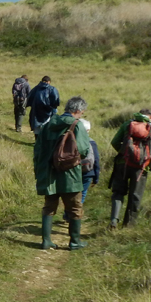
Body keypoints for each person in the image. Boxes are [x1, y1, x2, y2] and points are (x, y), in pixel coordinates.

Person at [34, 96, 91, 250]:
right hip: (70, 173)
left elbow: (38, 150)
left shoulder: (47, 125)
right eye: (82, 112)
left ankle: (46, 241)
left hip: (49, 173)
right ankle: (74, 242)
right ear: (78, 110)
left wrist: (39, 171)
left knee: (49, 206)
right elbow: (84, 150)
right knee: (74, 208)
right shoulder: (77, 125)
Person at [108, 109, 151, 228]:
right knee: (135, 196)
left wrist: (125, 153)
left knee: (118, 192)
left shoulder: (127, 124)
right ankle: (128, 225)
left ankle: (114, 220)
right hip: (141, 167)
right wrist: (147, 157)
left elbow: (115, 142)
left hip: (123, 163)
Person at [64, 118, 100, 221]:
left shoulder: (69, 140)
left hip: (71, 171)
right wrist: (96, 177)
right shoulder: (92, 142)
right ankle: (75, 216)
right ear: (88, 131)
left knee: (70, 193)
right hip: (88, 172)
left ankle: (68, 214)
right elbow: (96, 160)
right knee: (82, 194)